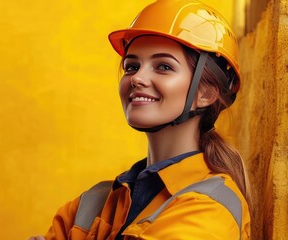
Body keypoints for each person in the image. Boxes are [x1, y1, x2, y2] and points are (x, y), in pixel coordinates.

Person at [30, 0, 251, 239]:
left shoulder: (210, 207)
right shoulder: (93, 203)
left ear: (206, 93)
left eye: (164, 66)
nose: (137, 78)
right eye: (131, 66)